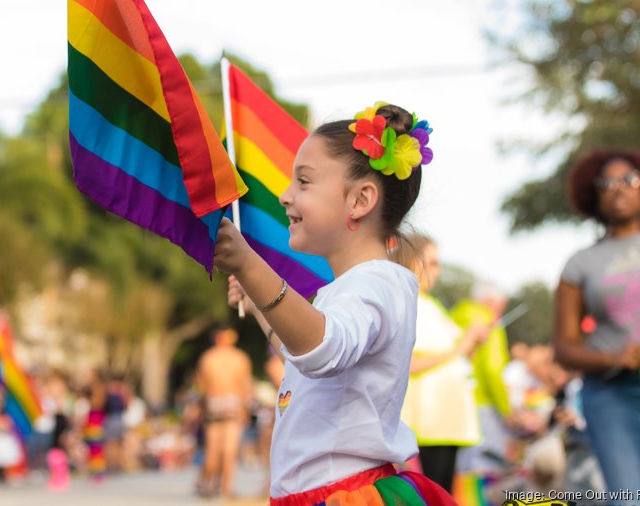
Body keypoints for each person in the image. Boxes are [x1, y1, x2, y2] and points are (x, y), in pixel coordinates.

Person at [217, 103, 456, 504]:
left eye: (304, 182)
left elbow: (321, 349)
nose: (284, 195)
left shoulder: (379, 282)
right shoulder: (352, 287)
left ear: (361, 200)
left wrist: (250, 264)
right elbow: (306, 359)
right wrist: (259, 303)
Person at [554, 148, 640, 501]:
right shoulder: (581, 263)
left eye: (628, 179)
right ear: (594, 196)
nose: (618, 188)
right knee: (629, 497)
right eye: (606, 183)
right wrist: (614, 359)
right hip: (612, 393)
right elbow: (564, 347)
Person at [397, 234, 488, 492]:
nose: (438, 270)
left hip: (446, 422)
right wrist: (460, 346)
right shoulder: (407, 302)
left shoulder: (431, 304)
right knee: (431, 495)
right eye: (432, 263)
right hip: (429, 422)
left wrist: (469, 346)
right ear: (411, 261)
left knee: (443, 494)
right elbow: (408, 363)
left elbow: (453, 357)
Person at [451, 282, 515, 475]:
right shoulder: (489, 321)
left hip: (452, 405)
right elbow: (493, 369)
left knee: (459, 474)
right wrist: (506, 410)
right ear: (489, 301)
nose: (501, 311)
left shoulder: (452, 316)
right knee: (486, 471)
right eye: (501, 305)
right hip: (483, 407)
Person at [194, 326, 252, 499]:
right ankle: (225, 488)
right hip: (233, 404)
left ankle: (207, 484)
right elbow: (245, 386)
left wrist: (201, 409)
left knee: (212, 449)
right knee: (229, 450)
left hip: (213, 403)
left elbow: (202, 387)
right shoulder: (240, 358)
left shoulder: (207, 358)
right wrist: (245, 409)